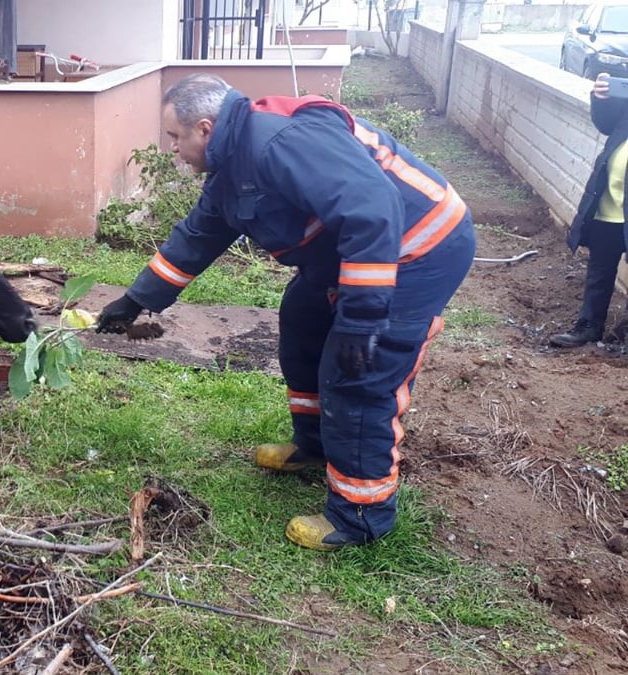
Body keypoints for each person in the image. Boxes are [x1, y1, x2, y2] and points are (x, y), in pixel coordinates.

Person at [96, 74, 476, 551]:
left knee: (357, 371)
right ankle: (316, 446)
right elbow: (199, 235)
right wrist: (136, 300)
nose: (172, 148)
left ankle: (361, 513)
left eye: (175, 136)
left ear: (206, 129)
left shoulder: (279, 141)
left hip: (416, 250)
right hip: (348, 254)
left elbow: (371, 210)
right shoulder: (234, 164)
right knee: (302, 322)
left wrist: (362, 318)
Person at [550, 73, 628, 348]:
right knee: (600, 270)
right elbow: (607, 122)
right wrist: (601, 97)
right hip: (610, 206)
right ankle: (589, 326)